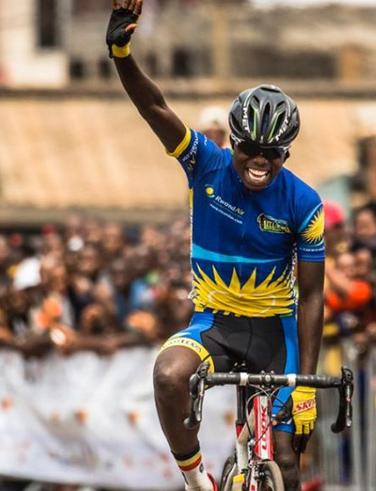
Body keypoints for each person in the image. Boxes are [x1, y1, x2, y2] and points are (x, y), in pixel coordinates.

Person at [107, 2, 326, 490]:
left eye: (272, 153)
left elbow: (312, 297)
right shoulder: (204, 163)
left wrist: (307, 386)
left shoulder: (306, 203)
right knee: (167, 376)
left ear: (286, 153)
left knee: (287, 461)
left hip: (276, 336)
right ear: (232, 141)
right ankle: (197, 482)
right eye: (249, 148)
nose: (258, 161)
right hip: (214, 326)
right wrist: (122, 51)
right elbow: (154, 106)